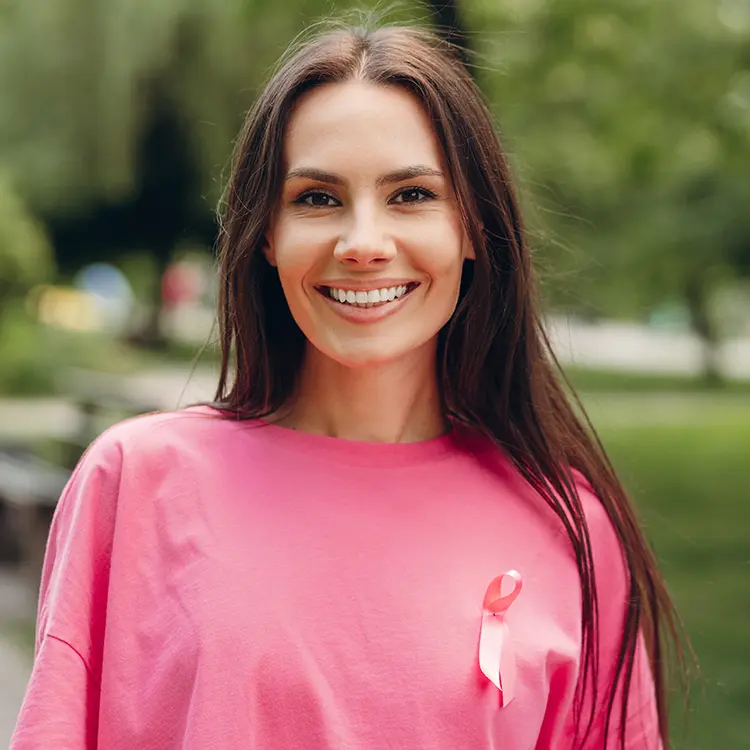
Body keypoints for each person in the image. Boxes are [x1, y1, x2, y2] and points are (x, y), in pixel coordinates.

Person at [11, 22, 683, 750]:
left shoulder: (571, 526)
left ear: (472, 228)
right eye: (318, 199)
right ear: (267, 234)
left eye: (412, 194)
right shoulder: (138, 483)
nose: (363, 243)